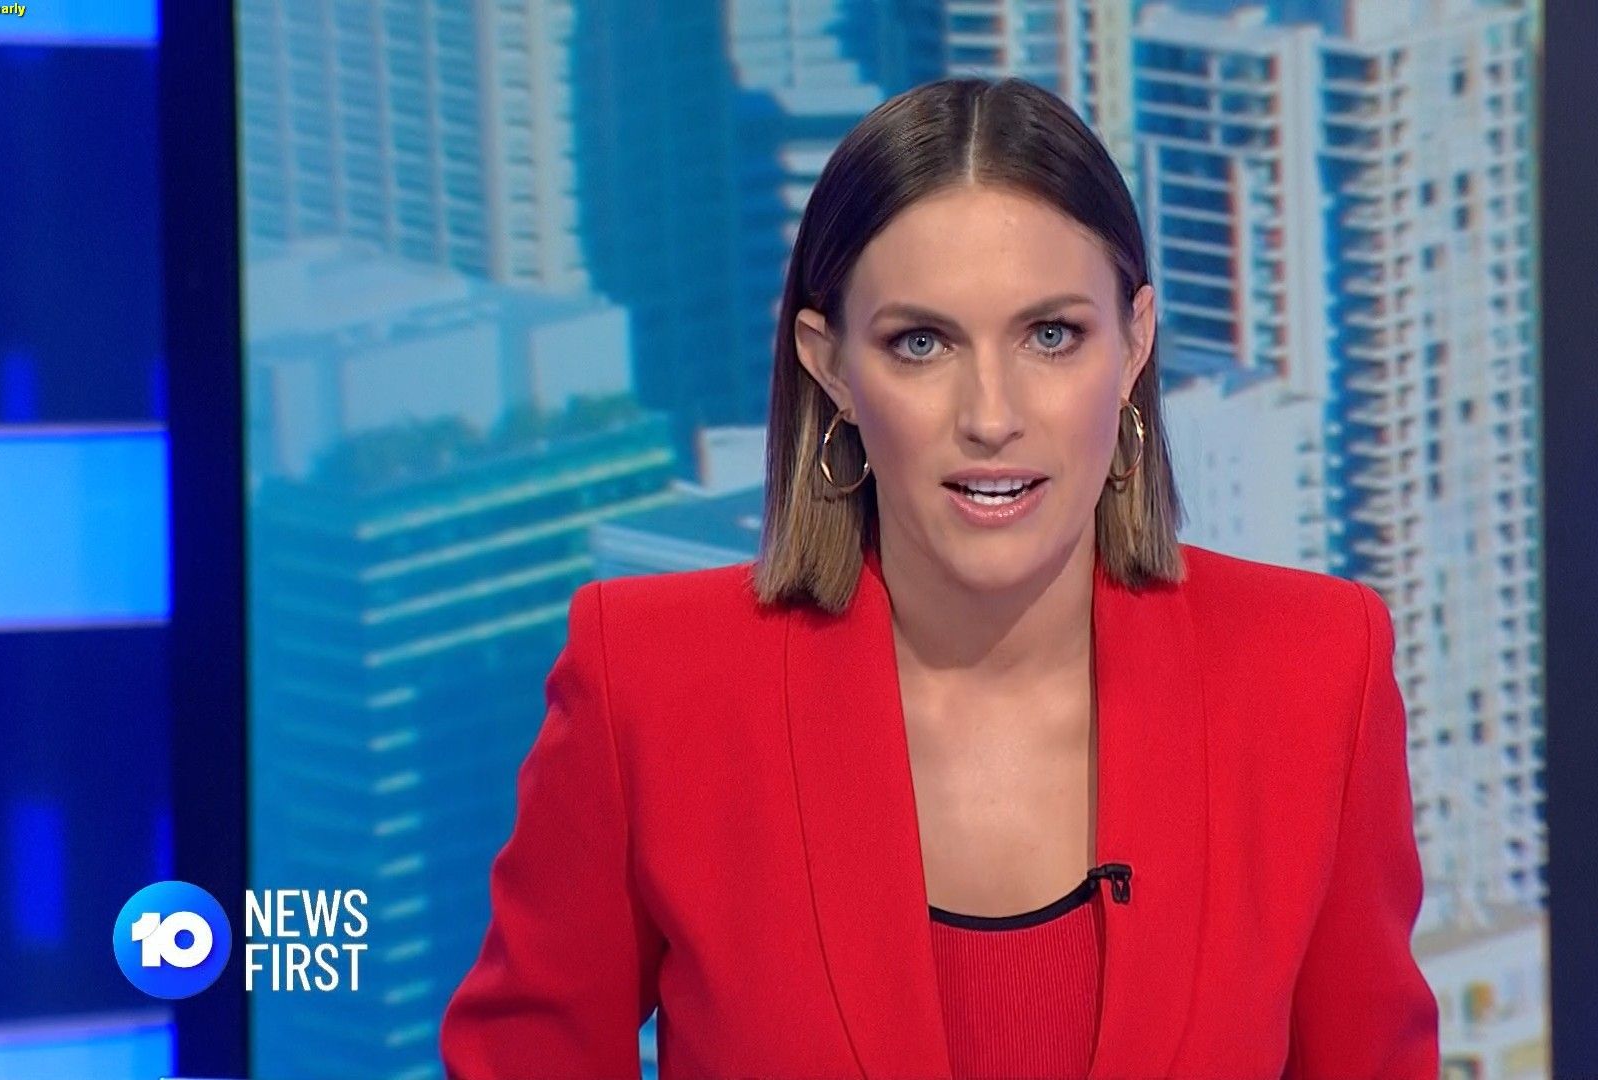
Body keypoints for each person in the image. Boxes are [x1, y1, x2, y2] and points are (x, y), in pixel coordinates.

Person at [439, 75, 1437, 1080]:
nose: (991, 415)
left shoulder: (1314, 674)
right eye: (921, 344)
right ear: (831, 366)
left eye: (1052, 336)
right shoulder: (651, 686)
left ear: (1135, 342)